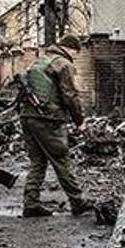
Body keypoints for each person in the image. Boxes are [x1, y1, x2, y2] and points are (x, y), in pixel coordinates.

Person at [17, 34, 90, 217]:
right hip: (48, 118)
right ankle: (78, 201)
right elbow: (70, 95)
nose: (75, 56)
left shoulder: (39, 61)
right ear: (71, 48)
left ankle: (31, 203)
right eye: (76, 52)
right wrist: (79, 121)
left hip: (28, 116)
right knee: (61, 159)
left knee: (38, 162)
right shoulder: (63, 64)